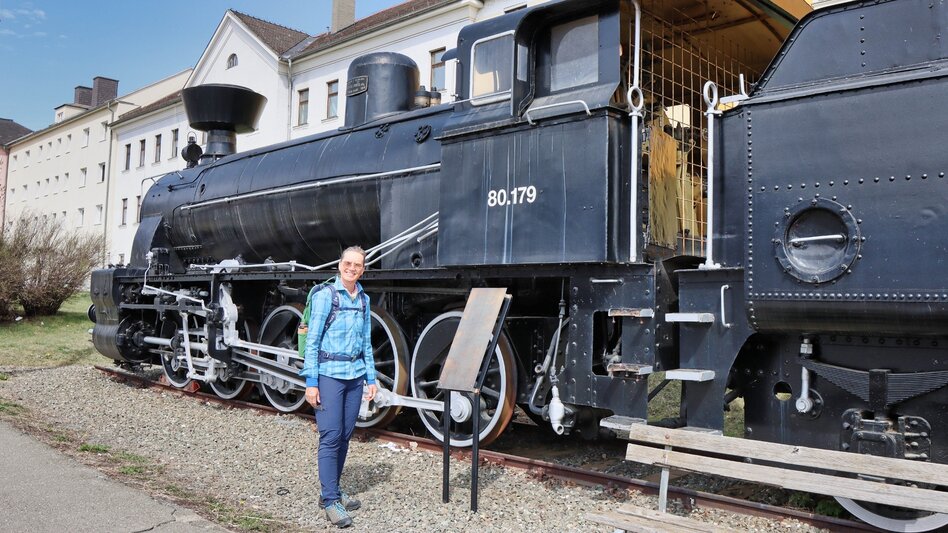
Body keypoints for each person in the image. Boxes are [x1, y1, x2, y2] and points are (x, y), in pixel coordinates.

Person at [300, 246, 378, 528]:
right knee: (331, 436)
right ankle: (330, 500)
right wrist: (311, 382)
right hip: (329, 375)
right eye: (348, 263)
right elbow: (312, 342)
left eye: (358, 265)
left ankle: (332, 490)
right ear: (340, 264)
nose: (352, 268)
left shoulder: (364, 300)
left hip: (355, 376)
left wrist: (371, 378)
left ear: (363, 270)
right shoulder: (325, 296)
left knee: (344, 435)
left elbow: (366, 342)